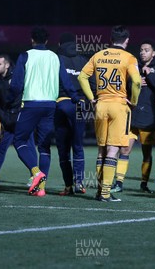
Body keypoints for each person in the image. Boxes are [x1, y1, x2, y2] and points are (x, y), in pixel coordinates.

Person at [9, 27, 80, 197]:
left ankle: (36, 173)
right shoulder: (55, 57)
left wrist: (8, 101)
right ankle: (41, 188)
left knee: (19, 140)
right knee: (44, 147)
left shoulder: (25, 55)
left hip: (31, 104)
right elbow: (66, 81)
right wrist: (76, 98)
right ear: (47, 41)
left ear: (32, 39)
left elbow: (17, 84)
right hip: (50, 106)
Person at [78, 25, 142, 202]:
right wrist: (134, 101)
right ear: (127, 41)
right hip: (119, 106)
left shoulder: (98, 55)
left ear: (111, 39)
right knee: (113, 150)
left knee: (102, 150)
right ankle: (105, 192)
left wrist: (92, 98)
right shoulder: (128, 57)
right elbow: (136, 82)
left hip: (101, 105)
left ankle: (100, 190)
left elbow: (82, 77)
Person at [112, 39, 155, 194]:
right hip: (131, 114)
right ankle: (119, 182)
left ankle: (144, 184)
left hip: (149, 117)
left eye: (146, 50)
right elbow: (123, 85)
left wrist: (149, 76)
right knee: (124, 149)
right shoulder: (132, 67)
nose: (143, 52)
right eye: (141, 50)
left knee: (146, 152)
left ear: (153, 53)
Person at [0, 54, 33, 185]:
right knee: (1, 147)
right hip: (6, 118)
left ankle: (34, 176)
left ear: (7, 65)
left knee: (29, 146)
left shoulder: (17, 76)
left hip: (21, 117)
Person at [55, 33, 89, 196]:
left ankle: (68, 186)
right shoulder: (83, 60)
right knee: (78, 146)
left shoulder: (56, 58)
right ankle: (80, 183)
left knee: (63, 148)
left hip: (61, 103)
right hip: (80, 104)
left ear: (60, 43)